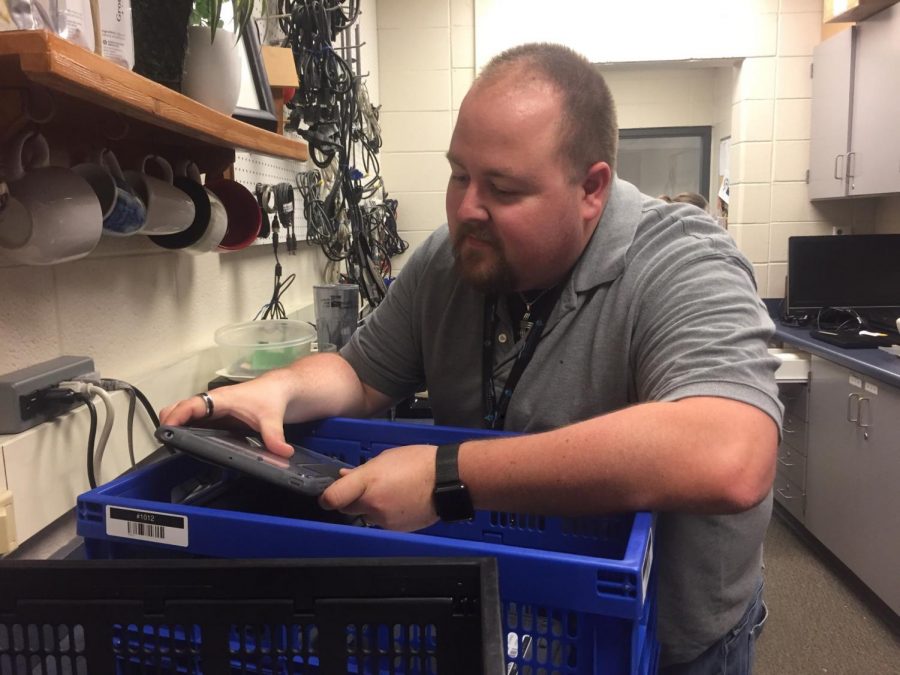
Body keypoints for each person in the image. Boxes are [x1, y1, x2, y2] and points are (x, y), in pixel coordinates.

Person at [161, 43, 781, 674]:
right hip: (521, 619)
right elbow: (362, 372)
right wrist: (280, 389)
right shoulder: (449, 260)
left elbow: (730, 454)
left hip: (665, 641)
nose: (464, 210)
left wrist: (447, 476)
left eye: (503, 189)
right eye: (459, 174)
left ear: (591, 189)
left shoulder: (681, 260)